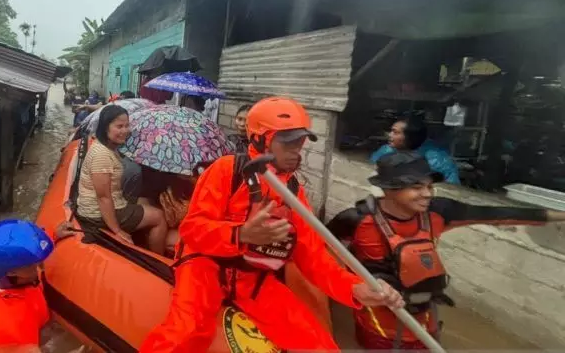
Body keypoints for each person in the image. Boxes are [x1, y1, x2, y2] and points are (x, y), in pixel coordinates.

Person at [139, 96, 405, 352]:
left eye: (300, 140)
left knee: (316, 343)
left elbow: (312, 256)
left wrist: (355, 288)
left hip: (251, 275)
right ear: (260, 138)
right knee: (185, 332)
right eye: (287, 141)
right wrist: (241, 233)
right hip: (203, 266)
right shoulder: (226, 170)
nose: (297, 148)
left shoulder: (291, 190)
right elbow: (193, 230)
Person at [327, 151, 565, 350]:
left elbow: (500, 214)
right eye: (416, 187)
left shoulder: (439, 212)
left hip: (425, 321)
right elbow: (320, 256)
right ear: (389, 189)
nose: (427, 194)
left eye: (430, 186)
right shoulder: (355, 220)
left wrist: (559, 215)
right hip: (377, 326)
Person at [0, 219, 85, 352]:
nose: (39, 263)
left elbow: (23, 252)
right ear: (11, 272)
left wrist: (52, 236)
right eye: (31, 263)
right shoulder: (8, 320)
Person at [75, 105, 169, 254]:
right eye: (119, 126)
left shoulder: (108, 147)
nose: (125, 130)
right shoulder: (102, 155)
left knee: (147, 200)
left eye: (126, 125)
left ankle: (145, 238)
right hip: (96, 214)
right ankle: (159, 260)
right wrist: (117, 231)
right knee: (159, 217)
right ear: (106, 127)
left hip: (113, 201)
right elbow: (103, 197)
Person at [371, 116, 461, 185]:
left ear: (410, 137)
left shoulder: (438, 160)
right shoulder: (385, 151)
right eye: (391, 131)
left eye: (395, 132)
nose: (390, 135)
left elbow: (452, 188)